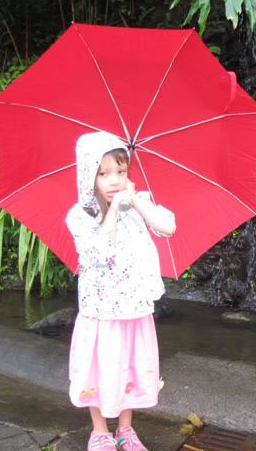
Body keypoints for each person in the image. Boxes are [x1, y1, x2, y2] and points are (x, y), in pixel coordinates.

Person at [65, 131, 176, 451]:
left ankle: (126, 428)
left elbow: (168, 227)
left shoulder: (138, 204)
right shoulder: (81, 215)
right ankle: (100, 430)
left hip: (134, 308)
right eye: (103, 173)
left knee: (131, 364)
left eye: (121, 171)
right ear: (88, 176)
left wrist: (136, 201)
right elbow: (98, 253)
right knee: (99, 367)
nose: (114, 180)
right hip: (100, 311)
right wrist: (113, 210)